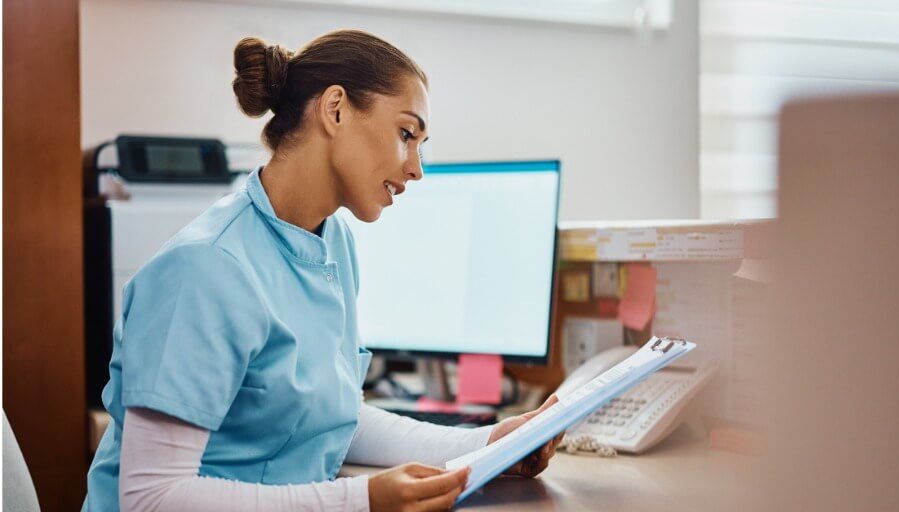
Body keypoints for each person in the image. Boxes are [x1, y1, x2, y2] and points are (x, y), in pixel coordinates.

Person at [82, 29, 561, 512]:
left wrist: (489, 444)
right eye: (406, 134)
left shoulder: (333, 245)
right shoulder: (205, 268)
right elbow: (152, 498)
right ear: (334, 110)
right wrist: (360, 500)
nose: (417, 168)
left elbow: (333, 418)